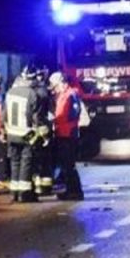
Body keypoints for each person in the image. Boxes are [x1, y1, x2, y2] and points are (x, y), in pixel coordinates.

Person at [3, 67, 43, 203]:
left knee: (14, 162)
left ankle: (14, 193)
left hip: (11, 133)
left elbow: (4, 114)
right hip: (26, 134)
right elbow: (36, 117)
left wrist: (4, 130)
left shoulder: (10, 92)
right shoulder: (31, 94)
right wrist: (40, 133)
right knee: (26, 162)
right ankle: (24, 193)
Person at [49, 72, 84, 200]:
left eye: (55, 86)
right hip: (63, 133)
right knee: (66, 165)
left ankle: (75, 191)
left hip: (68, 134)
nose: (54, 90)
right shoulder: (63, 95)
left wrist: (55, 119)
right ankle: (71, 190)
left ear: (62, 83)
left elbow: (71, 114)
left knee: (69, 165)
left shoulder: (70, 95)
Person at [32, 67, 55, 196]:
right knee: (45, 158)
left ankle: (36, 185)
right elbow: (51, 112)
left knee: (34, 158)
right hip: (44, 129)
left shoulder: (31, 92)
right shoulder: (45, 92)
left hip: (33, 130)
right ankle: (46, 186)